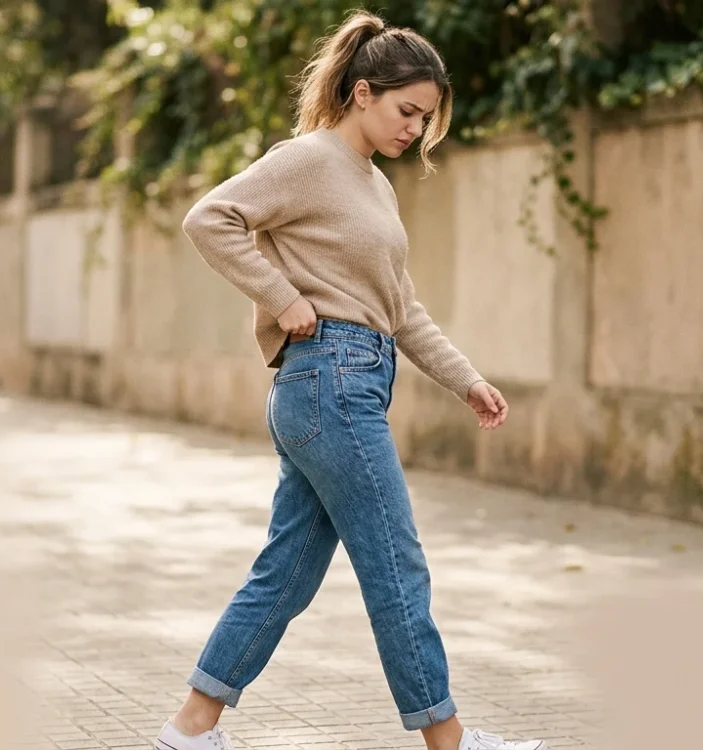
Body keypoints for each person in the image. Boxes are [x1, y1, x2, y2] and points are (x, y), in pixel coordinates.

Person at [154, 10, 546, 750]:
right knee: (396, 564)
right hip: (327, 380)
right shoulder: (308, 160)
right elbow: (211, 219)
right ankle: (448, 740)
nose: (415, 130)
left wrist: (466, 381)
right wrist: (281, 297)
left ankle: (191, 727)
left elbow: (401, 308)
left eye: (426, 118)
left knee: (288, 572)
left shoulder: (376, 187)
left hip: (347, 382)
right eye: (407, 111)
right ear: (363, 92)